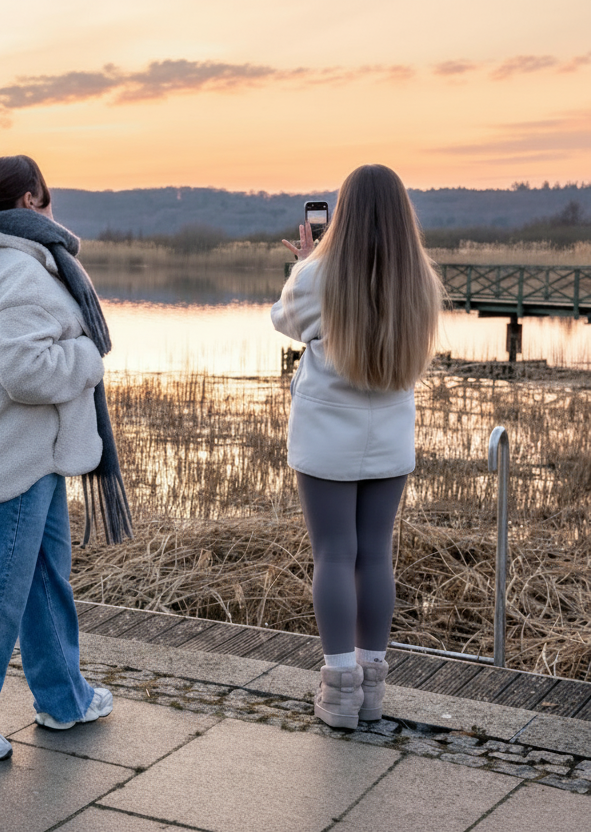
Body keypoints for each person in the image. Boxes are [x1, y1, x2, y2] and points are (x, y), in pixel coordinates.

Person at [0, 155, 132, 761]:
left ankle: (64, 699)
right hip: (19, 457)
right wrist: (88, 358)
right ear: (34, 199)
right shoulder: (22, 272)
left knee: (43, 583)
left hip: (27, 453)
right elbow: (25, 371)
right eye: (49, 195)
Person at [272, 164, 444, 730]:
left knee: (334, 555)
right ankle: (372, 688)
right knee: (375, 553)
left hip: (327, 434)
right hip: (389, 433)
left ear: (339, 213)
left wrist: (304, 261)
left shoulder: (317, 275)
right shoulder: (418, 278)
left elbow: (284, 321)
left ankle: (339, 689)